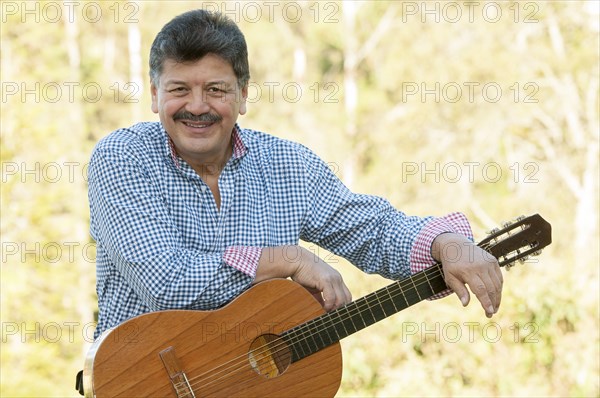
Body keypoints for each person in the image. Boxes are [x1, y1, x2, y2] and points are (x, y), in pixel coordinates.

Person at [87, 9, 502, 342]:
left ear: (243, 96)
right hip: (140, 383)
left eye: (216, 89)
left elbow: (372, 230)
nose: (198, 106)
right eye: (179, 89)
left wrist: (445, 244)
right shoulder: (122, 158)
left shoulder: (286, 165)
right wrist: (289, 259)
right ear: (155, 94)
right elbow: (168, 283)